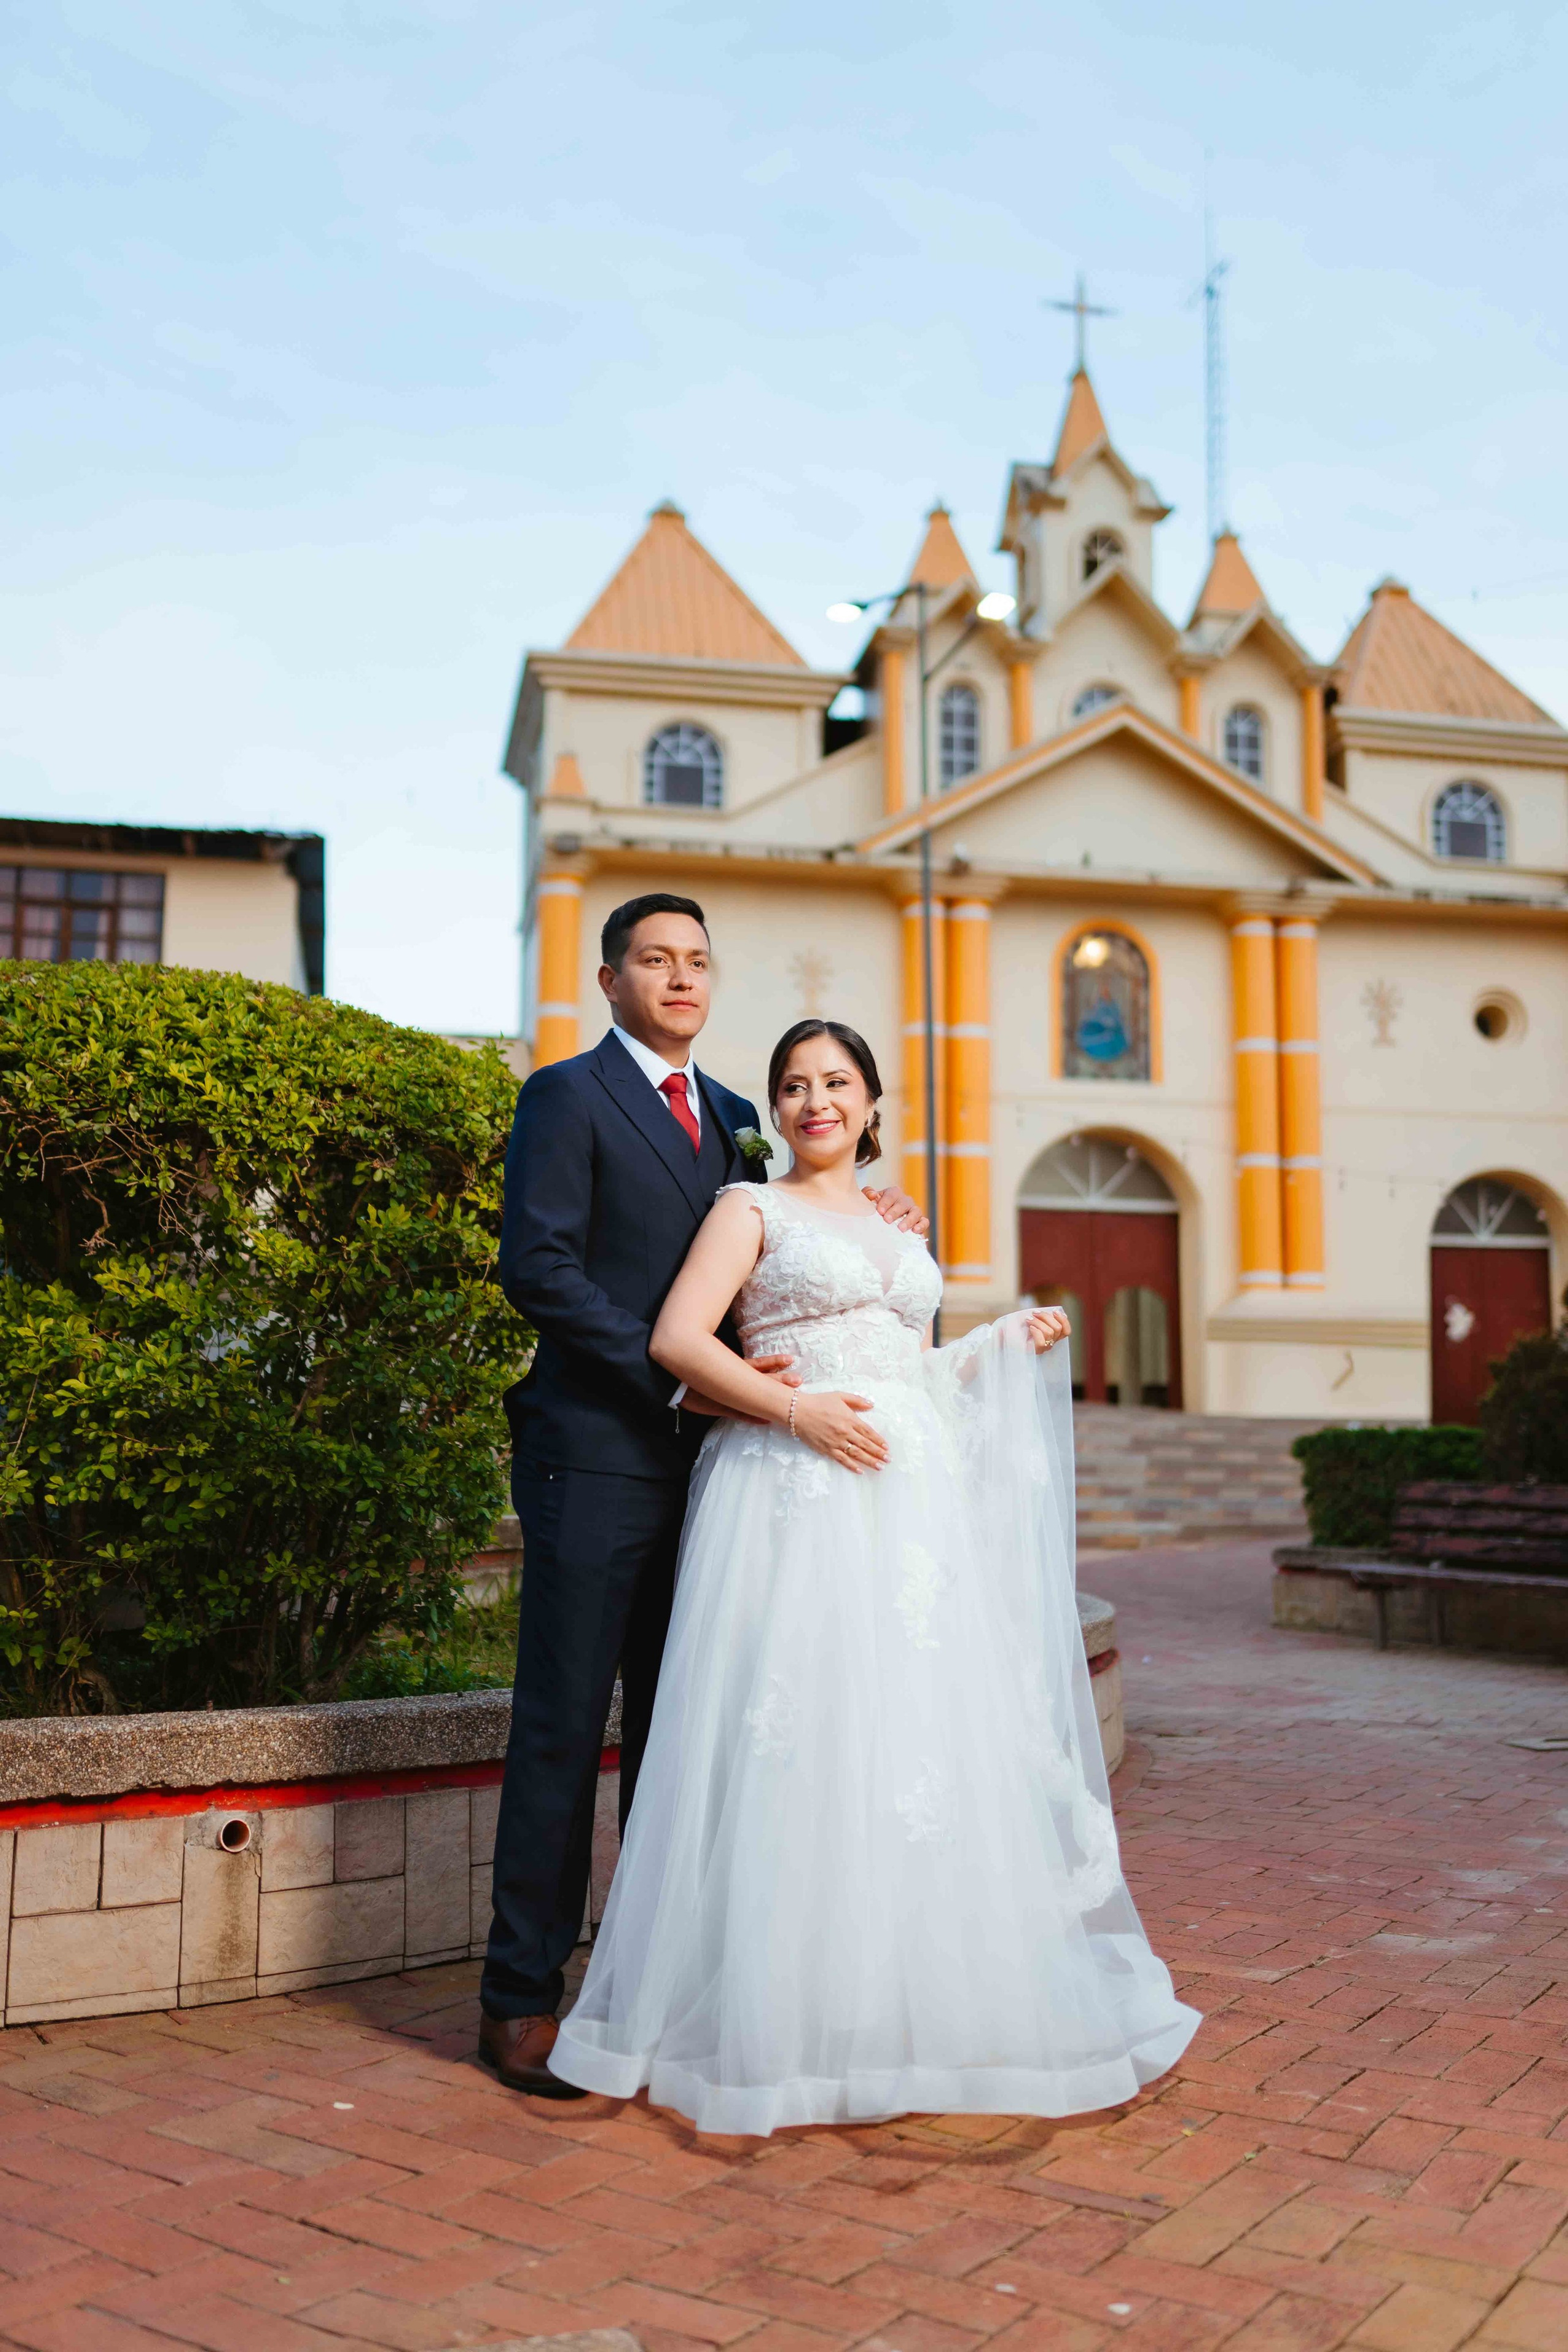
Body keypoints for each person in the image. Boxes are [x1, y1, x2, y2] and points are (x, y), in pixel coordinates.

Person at [548, 1017, 1200, 2132]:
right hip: (788, 1492)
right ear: (777, 1108)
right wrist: (795, 1411)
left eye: (836, 1082)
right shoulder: (747, 1208)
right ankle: (781, 2008)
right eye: (794, 1084)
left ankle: (905, 1992)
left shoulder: (899, 1226)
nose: (815, 1102)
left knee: (909, 1738)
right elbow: (678, 1339)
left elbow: (908, 1368)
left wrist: (998, 1343)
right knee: (802, 1734)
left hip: (907, 1508)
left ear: (869, 1100)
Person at [481, 900, 925, 2094]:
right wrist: (678, 1386)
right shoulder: (565, 1097)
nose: (678, 978)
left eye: (695, 961)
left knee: (690, 1736)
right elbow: (539, 1267)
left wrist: (864, 1215)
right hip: (598, 1453)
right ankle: (522, 1993)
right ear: (609, 978)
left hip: (729, 1487)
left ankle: (660, 1981)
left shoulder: (735, 1118)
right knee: (565, 1729)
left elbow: (776, 1235)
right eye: (653, 961)